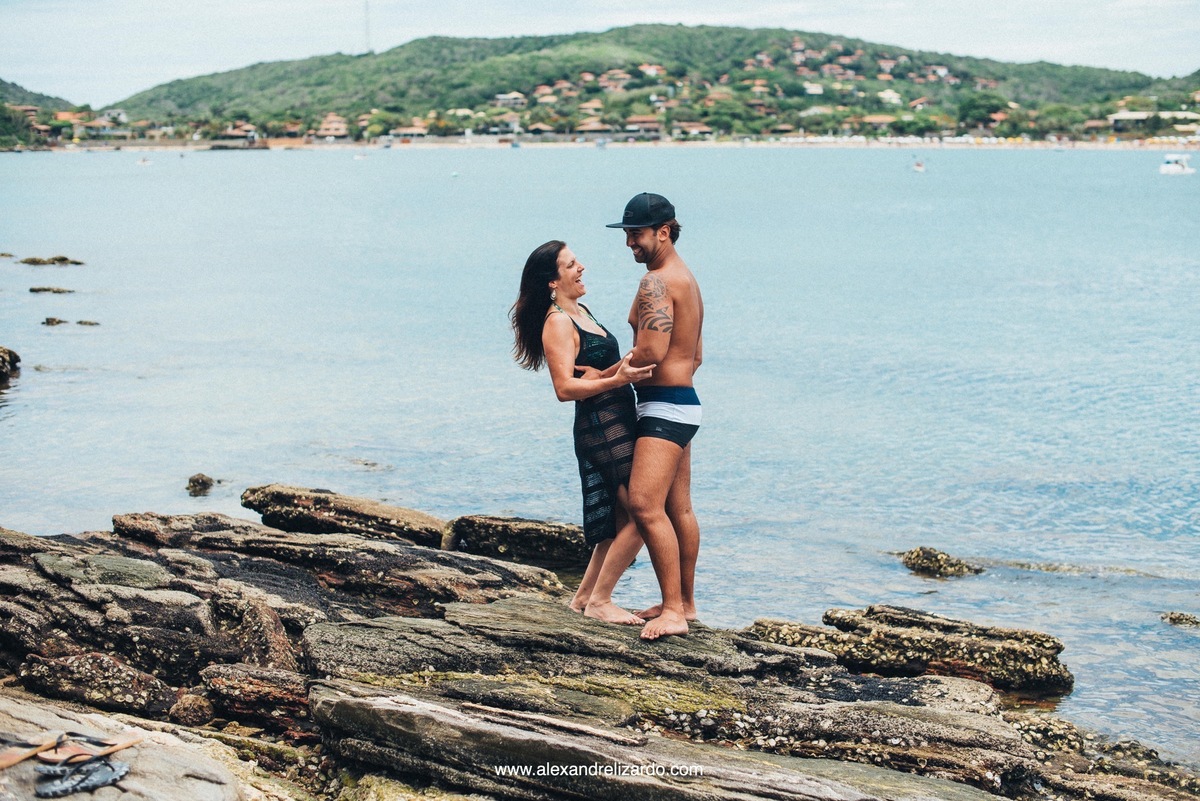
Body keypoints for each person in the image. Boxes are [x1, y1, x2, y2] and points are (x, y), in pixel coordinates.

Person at [510, 240, 655, 624]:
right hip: (601, 428)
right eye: (571, 264)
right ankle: (601, 602)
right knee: (642, 517)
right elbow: (564, 389)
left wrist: (616, 371)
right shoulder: (558, 321)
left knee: (618, 521)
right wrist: (615, 379)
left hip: (618, 418)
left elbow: (593, 372)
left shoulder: (582, 310)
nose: (581, 268)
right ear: (552, 282)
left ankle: (582, 599)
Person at [606, 192, 704, 640]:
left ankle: (673, 613)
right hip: (682, 401)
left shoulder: (657, 283)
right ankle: (685, 602)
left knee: (644, 506)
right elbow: (695, 354)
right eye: (627, 235)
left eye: (637, 234)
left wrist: (606, 380)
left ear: (663, 231)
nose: (630, 243)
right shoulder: (686, 278)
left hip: (663, 406)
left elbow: (651, 351)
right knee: (677, 507)